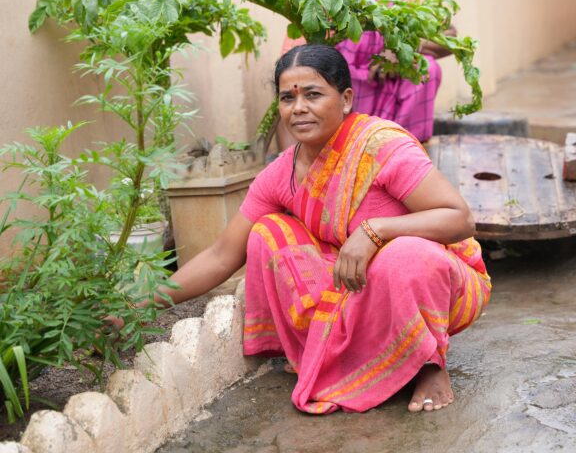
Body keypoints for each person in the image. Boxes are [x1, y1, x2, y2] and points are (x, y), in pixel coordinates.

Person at [160, 44, 491, 414]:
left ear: (345, 99)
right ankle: (330, 352)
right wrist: (142, 302)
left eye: (313, 94)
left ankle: (429, 364)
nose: (298, 108)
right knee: (268, 233)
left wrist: (375, 231)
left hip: (438, 281)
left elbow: (460, 219)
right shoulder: (281, 173)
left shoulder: (381, 147)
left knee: (404, 254)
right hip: (355, 284)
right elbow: (222, 255)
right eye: (288, 98)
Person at [276, 0, 454, 150]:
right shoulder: (314, 8)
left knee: (426, 68)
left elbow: (450, 36)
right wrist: (291, 160)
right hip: (346, 105)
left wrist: (400, 50)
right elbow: (288, 88)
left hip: (388, 96)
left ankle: (404, 148)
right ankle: (348, 149)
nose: (353, 3)